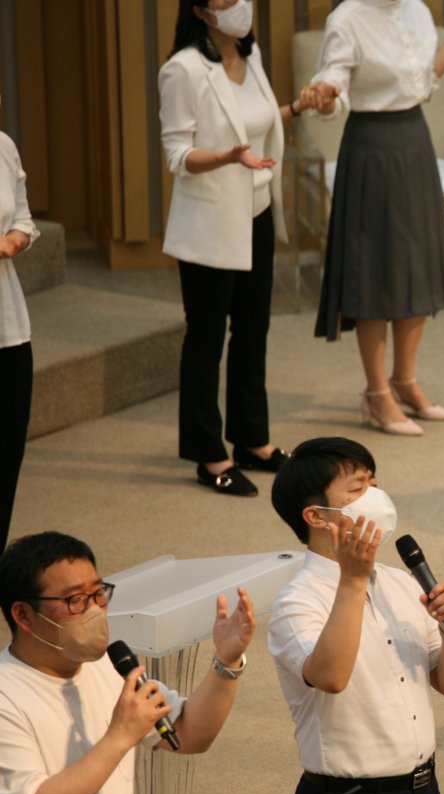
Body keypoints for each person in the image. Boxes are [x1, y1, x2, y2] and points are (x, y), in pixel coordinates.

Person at [309, 0, 444, 436]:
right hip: (371, 146)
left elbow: (424, 80)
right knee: (375, 269)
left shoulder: (416, 10)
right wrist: (324, 95)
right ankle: (377, 394)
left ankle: (405, 381)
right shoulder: (347, 18)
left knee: (415, 262)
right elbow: (333, 80)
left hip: (414, 140)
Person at [268, 436, 444, 794]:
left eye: (374, 483)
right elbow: (330, 676)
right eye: (358, 489)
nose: (376, 497)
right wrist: (353, 579)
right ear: (317, 516)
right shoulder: (296, 604)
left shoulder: (401, 584)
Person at [0, 531, 255, 794]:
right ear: (23, 615)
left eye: (98, 593)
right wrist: (119, 737)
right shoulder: (6, 697)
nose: (94, 610)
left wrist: (226, 663)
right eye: (75, 600)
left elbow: (191, 733)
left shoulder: (109, 665)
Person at [159, 0, 319, 496]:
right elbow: (176, 155)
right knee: (207, 337)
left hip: (256, 212)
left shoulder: (251, 58)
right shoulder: (182, 70)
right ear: (203, 11)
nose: (242, 7)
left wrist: (298, 107)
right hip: (208, 222)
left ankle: (252, 440)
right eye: (228, 0)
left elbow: (256, 124)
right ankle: (209, 454)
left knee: (254, 330)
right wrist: (225, 156)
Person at [0, 122, 37, 547]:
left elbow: (23, 216)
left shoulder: (4, 145)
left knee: (6, 456)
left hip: (9, 328)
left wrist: (14, 239)